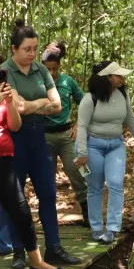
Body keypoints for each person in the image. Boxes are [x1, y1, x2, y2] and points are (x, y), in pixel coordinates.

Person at [0, 46, 64, 269]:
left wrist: (9, 101)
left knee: (21, 210)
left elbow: (15, 125)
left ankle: (36, 260)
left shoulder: (0, 91)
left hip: (6, 157)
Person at [0, 20, 80, 269]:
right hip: (14, 139)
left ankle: (54, 247)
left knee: (48, 193)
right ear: (14, 49)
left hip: (38, 137)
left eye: (34, 49)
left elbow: (58, 105)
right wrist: (42, 103)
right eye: (27, 49)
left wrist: (34, 105)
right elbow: (18, 108)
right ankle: (20, 251)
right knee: (16, 197)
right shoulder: (5, 71)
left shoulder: (41, 69)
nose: (31, 54)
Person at [75, 60, 134, 244]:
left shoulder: (123, 95)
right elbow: (81, 127)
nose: (121, 78)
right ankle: (96, 228)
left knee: (115, 183)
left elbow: (130, 120)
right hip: (93, 146)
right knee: (95, 187)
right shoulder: (90, 99)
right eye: (117, 75)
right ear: (107, 78)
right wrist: (82, 153)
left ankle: (112, 228)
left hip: (116, 145)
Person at [41, 41, 89, 226]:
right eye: (48, 69)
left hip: (67, 135)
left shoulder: (68, 81)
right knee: (47, 179)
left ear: (60, 65)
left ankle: (88, 214)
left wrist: (79, 124)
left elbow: (86, 103)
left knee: (78, 172)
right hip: (45, 137)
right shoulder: (39, 83)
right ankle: (49, 219)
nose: (51, 73)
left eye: (54, 68)